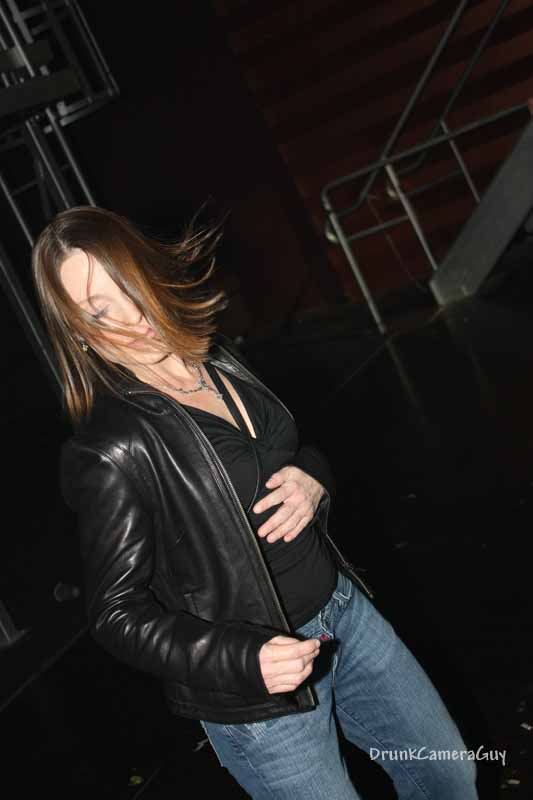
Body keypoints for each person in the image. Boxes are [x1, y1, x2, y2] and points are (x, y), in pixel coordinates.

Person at [32, 205, 479, 799]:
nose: (132, 317)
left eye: (127, 287)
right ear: (80, 332)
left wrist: (314, 477)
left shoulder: (217, 358)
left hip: (344, 617)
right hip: (260, 697)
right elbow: (116, 612)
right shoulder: (112, 447)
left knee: (449, 775)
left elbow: (288, 453)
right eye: (98, 311)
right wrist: (243, 658)